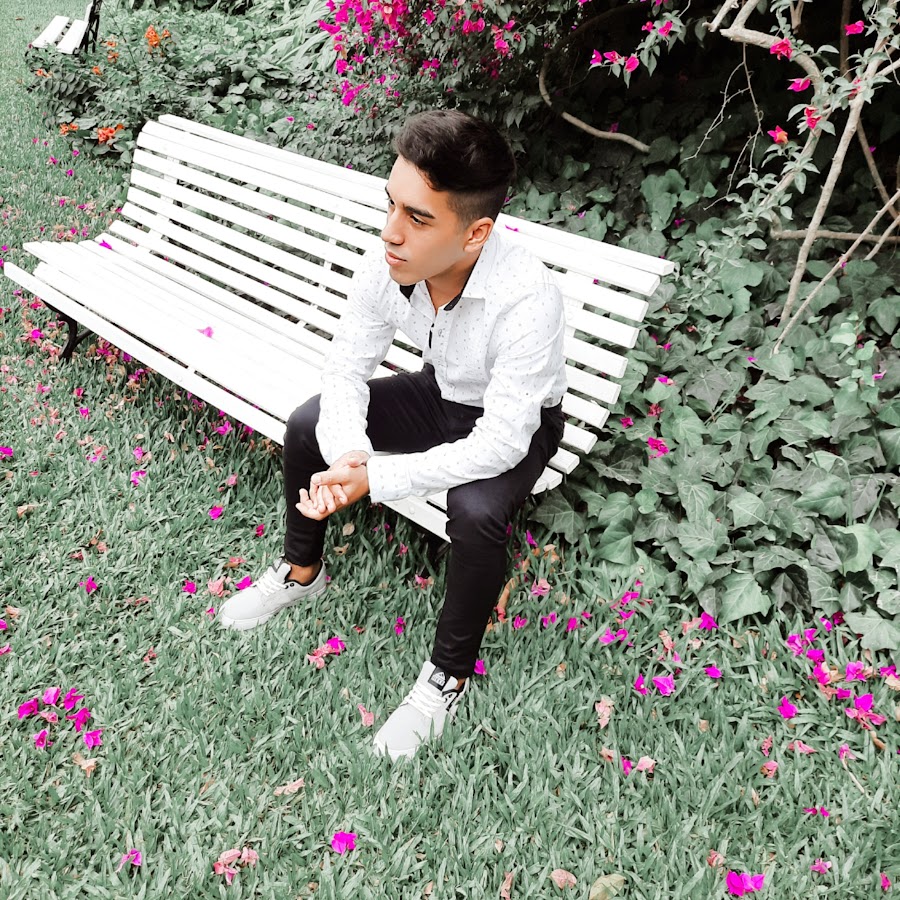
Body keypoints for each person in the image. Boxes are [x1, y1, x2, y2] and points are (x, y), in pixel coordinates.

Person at [218, 109, 567, 761]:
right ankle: (301, 571)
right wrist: (351, 454)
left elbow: (501, 442)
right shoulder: (388, 263)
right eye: (391, 204)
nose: (391, 232)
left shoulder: (528, 299)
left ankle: (446, 677)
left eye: (418, 218)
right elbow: (346, 370)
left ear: (476, 233)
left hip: (516, 425)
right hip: (439, 393)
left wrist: (375, 477)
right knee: (307, 425)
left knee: (478, 511)